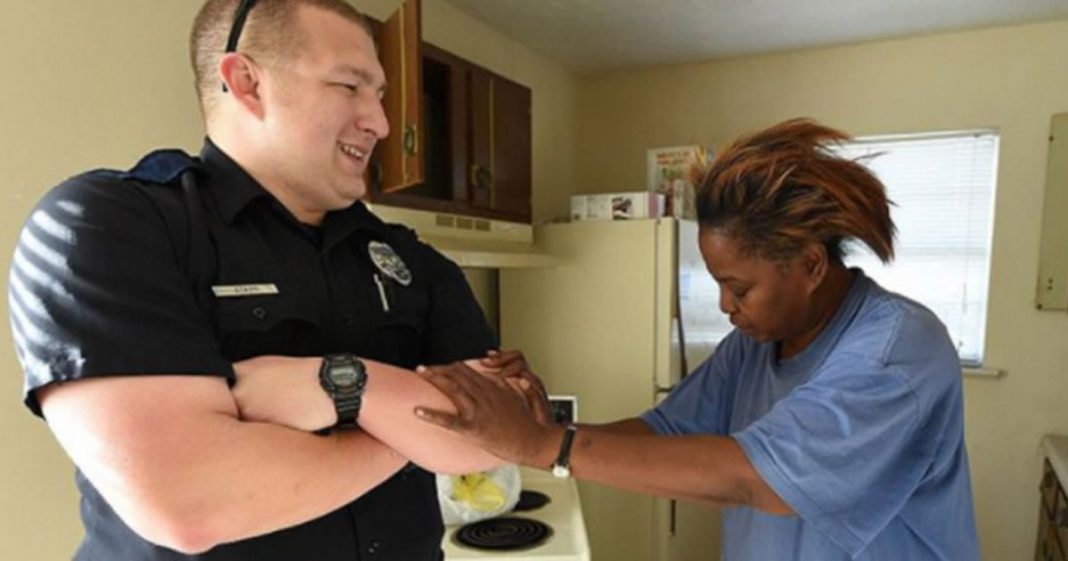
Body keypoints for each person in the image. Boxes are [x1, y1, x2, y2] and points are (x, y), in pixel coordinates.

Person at [8, 1, 512, 559]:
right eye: (349, 86)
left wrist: (341, 388)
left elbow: (498, 431)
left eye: (381, 95)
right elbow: (192, 501)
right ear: (246, 82)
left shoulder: (409, 258)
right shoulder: (104, 224)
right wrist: (394, 415)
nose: (382, 123)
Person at [414, 119, 981, 560]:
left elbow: (755, 478)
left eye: (738, 287)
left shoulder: (895, 351)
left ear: (810, 264)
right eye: (717, 284)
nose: (724, 306)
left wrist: (545, 449)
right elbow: (667, 430)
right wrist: (546, 429)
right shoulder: (760, 340)